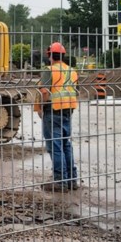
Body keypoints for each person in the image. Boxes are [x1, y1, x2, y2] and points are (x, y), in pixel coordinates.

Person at [35, 41, 79, 191]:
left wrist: (40, 107)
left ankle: (60, 182)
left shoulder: (50, 70)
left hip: (53, 111)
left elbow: (45, 91)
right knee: (66, 145)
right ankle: (71, 180)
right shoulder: (71, 71)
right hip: (67, 111)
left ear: (50, 56)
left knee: (55, 147)